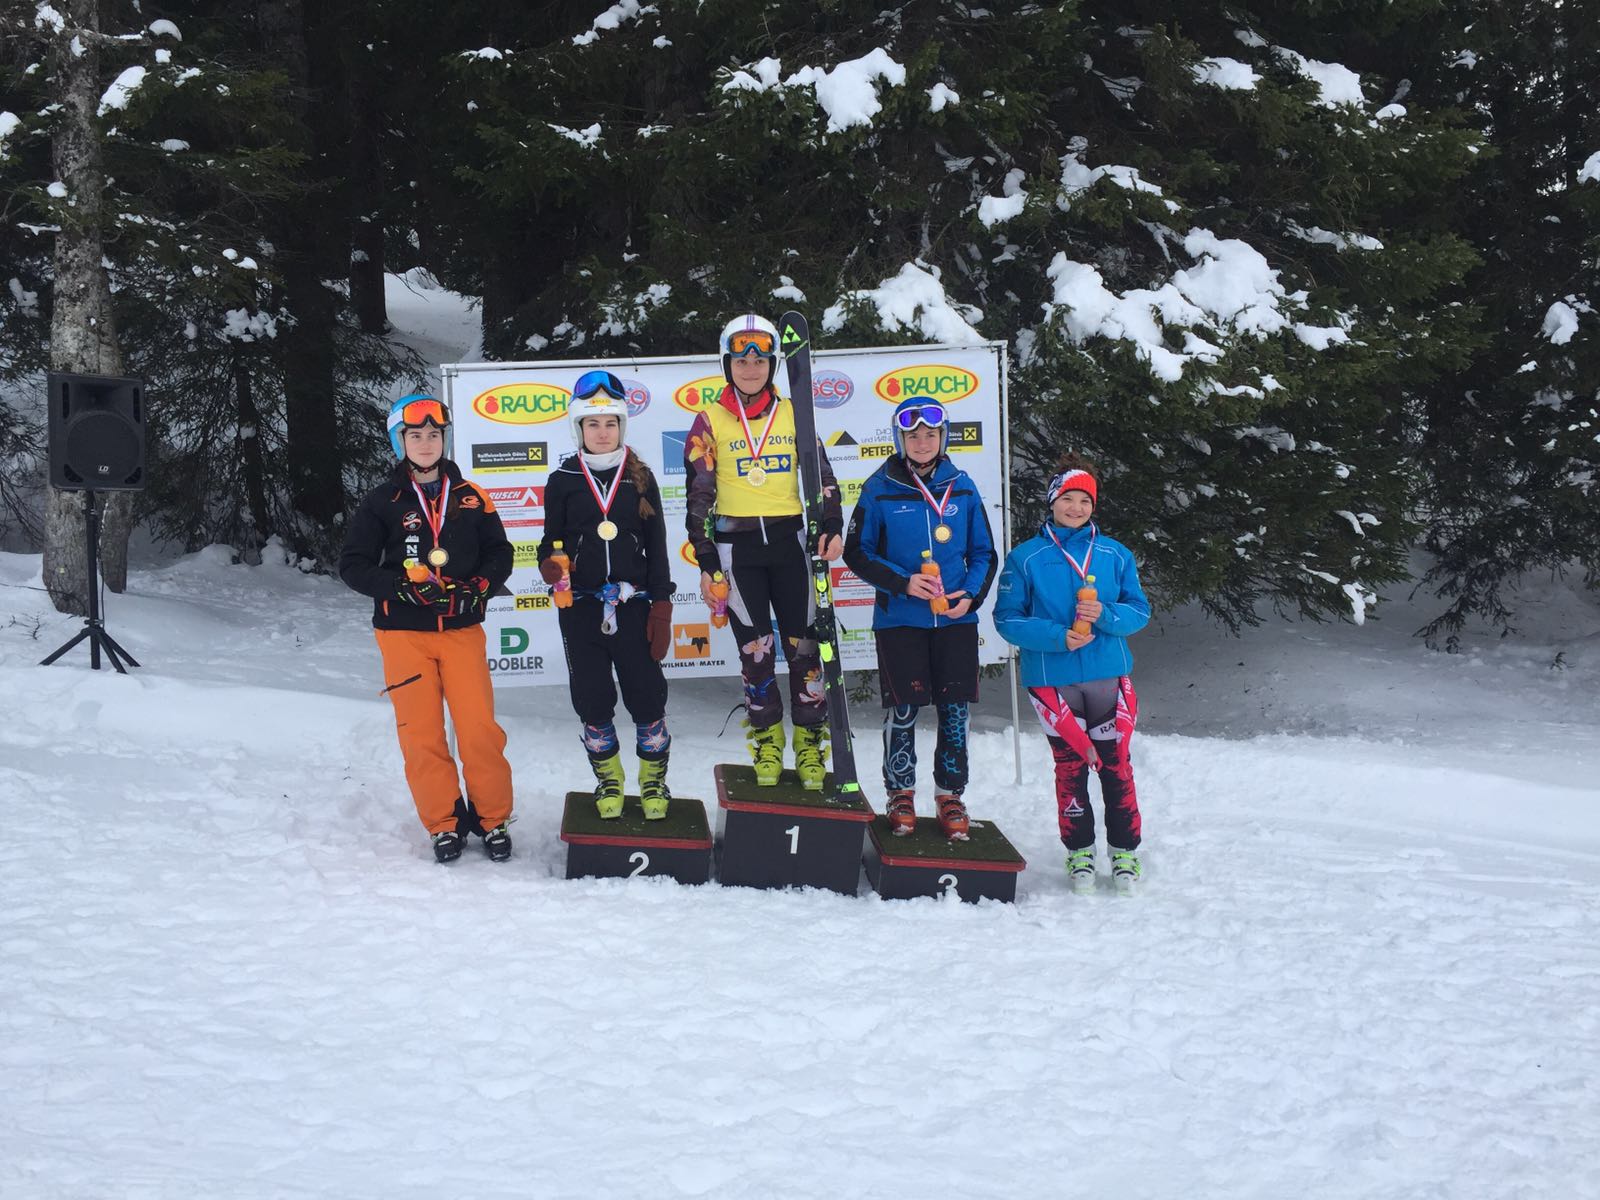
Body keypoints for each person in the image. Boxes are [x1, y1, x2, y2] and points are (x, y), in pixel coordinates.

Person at [338, 394, 516, 864]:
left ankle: (493, 819)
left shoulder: (472, 496)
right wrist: (402, 589)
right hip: (403, 635)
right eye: (414, 435)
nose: (425, 443)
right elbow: (353, 566)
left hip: (461, 631)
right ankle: (443, 823)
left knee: (479, 729)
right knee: (421, 734)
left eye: (433, 434)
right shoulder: (382, 501)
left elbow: (500, 554)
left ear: (444, 439)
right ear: (399, 442)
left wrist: (479, 587)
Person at [684, 314, 844, 788]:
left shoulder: (795, 413)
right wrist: (707, 562)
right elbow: (698, 496)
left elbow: (823, 476)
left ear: (773, 364)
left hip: (791, 545)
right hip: (737, 552)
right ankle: (767, 740)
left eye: (760, 360)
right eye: (741, 360)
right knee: (756, 654)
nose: (750, 368)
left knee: (805, 649)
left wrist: (832, 525)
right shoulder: (709, 420)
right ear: (727, 364)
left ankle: (810, 745)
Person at [843, 395, 998, 839]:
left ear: (943, 437)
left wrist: (971, 596)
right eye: (913, 435)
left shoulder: (962, 486)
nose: (923, 442)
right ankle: (900, 792)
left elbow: (984, 553)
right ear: (900, 440)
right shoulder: (879, 488)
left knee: (955, 712)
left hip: (955, 621)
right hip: (900, 621)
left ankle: (950, 795)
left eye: (931, 434)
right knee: (904, 708)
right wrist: (903, 582)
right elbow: (857, 552)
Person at [993, 457, 1150, 892]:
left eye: (1084, 500)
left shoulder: (1115, 554)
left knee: (1116, 765)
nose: (1076, 508)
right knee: (1070, 766)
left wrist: (1106, 615)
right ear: (1052, 502)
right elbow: (1007, 618)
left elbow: (1139, 611)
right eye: (1067, 499)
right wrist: (1057, 637)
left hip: (1108, 677)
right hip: (1052, 679)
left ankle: (1124, 851)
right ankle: (1079, 850)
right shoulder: (1026, 557)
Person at [536, 370, 674, 819]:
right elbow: (550, 541)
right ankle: (609, 781)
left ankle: (653, 782)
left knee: (647, 696)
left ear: (621, 426)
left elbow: (657, 547)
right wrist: (550, 565)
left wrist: (662, 605)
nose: (602, 432)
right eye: (593, 424)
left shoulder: (641, 477)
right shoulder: (562, 479)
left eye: (610, 423)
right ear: (578, 428)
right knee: (593, 699)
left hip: (634, 606)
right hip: (581, 607)